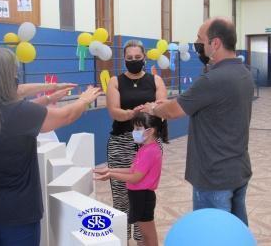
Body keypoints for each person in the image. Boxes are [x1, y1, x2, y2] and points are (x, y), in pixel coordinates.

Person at [0, 47, 101, 246]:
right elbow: (66, 115)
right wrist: (84, 100)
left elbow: (21, 106)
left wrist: (49, 98)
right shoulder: (19, 112)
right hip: (18, 214)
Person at [141, 17, 253, 225]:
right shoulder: (243, 73)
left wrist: (154, 108)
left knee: (211, 234)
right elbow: (203, 101)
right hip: (238, 170)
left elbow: (174, 111)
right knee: (236, 233)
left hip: (214, 176)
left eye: (200, 40)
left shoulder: (213, 79)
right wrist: (170, 102)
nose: (197, 45)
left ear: (215, 43)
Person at [106, 39, 167, 243]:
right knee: (121, 197)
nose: (133, 61)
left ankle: (143, 240)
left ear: (144, 57)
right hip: (121, 142)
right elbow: (114, 111)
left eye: (137, 58)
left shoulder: (155, 81)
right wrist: (133, 114)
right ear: (124, 59)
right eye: (129, 58)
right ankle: (121, 239)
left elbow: (162, 108)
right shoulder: (115, 81)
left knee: (142, 196)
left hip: (148, 141)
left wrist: (153, 109)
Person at [94, 112, 168, 246]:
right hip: (137, 196)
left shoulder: (150, 151)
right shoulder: (144, 148)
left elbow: (135, 178)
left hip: (143, 197)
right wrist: (110, 169)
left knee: (148, 235)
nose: (133, 132)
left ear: (150, 131)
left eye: (137, 129)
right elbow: (132, 169)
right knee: (145, 234)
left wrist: (111, 175)